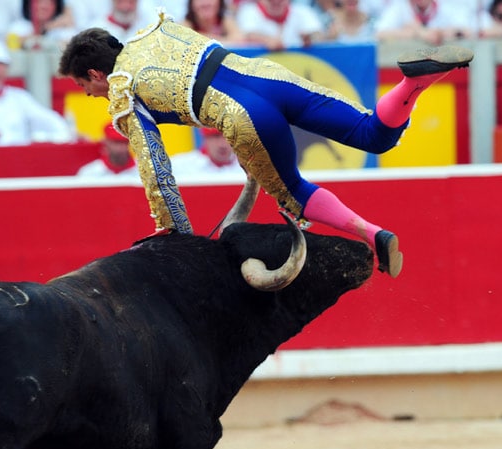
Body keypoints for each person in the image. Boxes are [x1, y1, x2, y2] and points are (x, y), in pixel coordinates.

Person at [58, 12, 474, 278]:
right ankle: (413, 82)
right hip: (269, 76)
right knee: (372, 134)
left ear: (97, 73)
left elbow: (154, 164)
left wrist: (176, 231)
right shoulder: (159, 29)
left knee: (292, 191)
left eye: (83, 86)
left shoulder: (121, 91)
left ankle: (373, 233)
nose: (91, 94)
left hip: (243, 116)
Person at [375, 0, 476, 44]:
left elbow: (468, 31)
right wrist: (416, 33)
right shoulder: (399, 8)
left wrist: (441, 33)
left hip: (443, 71)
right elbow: (380, 33)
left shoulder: (447, 7)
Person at [236, 0, 324, 50]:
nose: (276, 1)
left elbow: (318, 34)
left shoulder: (303, 11)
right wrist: (267, 40)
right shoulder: (248, 11)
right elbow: (247, 34)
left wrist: (310, 38)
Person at [170, 127, 243, 178]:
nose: (222, 144)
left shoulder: (250, 168)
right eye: (216, 136)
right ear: (205, 138)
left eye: (228, 137)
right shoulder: (178, 167)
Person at [7, 0, 77, 49]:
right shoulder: (18, 27)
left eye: (49, 2)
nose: (44, 6)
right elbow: (11, 47)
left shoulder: (65, 31)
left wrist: (48, 28)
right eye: (39, 2)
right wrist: (39, 32)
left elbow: (70, 49)